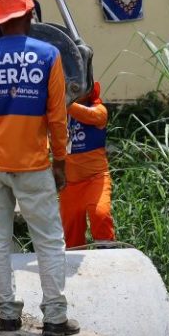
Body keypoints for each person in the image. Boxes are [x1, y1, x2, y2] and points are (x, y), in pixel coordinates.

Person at [0, 0, 80, 336]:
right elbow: (57, 116)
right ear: (30, 15)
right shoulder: (49, 55)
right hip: (33, 164)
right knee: (48, 240)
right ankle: (55, 318)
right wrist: (60, 160)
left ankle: (7, 316)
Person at [60, 81, 115, 248]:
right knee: (71, 229)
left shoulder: (99, 110)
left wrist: (63, 101)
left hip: (96, 179)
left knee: (100, 214)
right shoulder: (62, 114)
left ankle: (106, 253)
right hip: (70, 184)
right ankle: (72, 258)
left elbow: (88, 115)